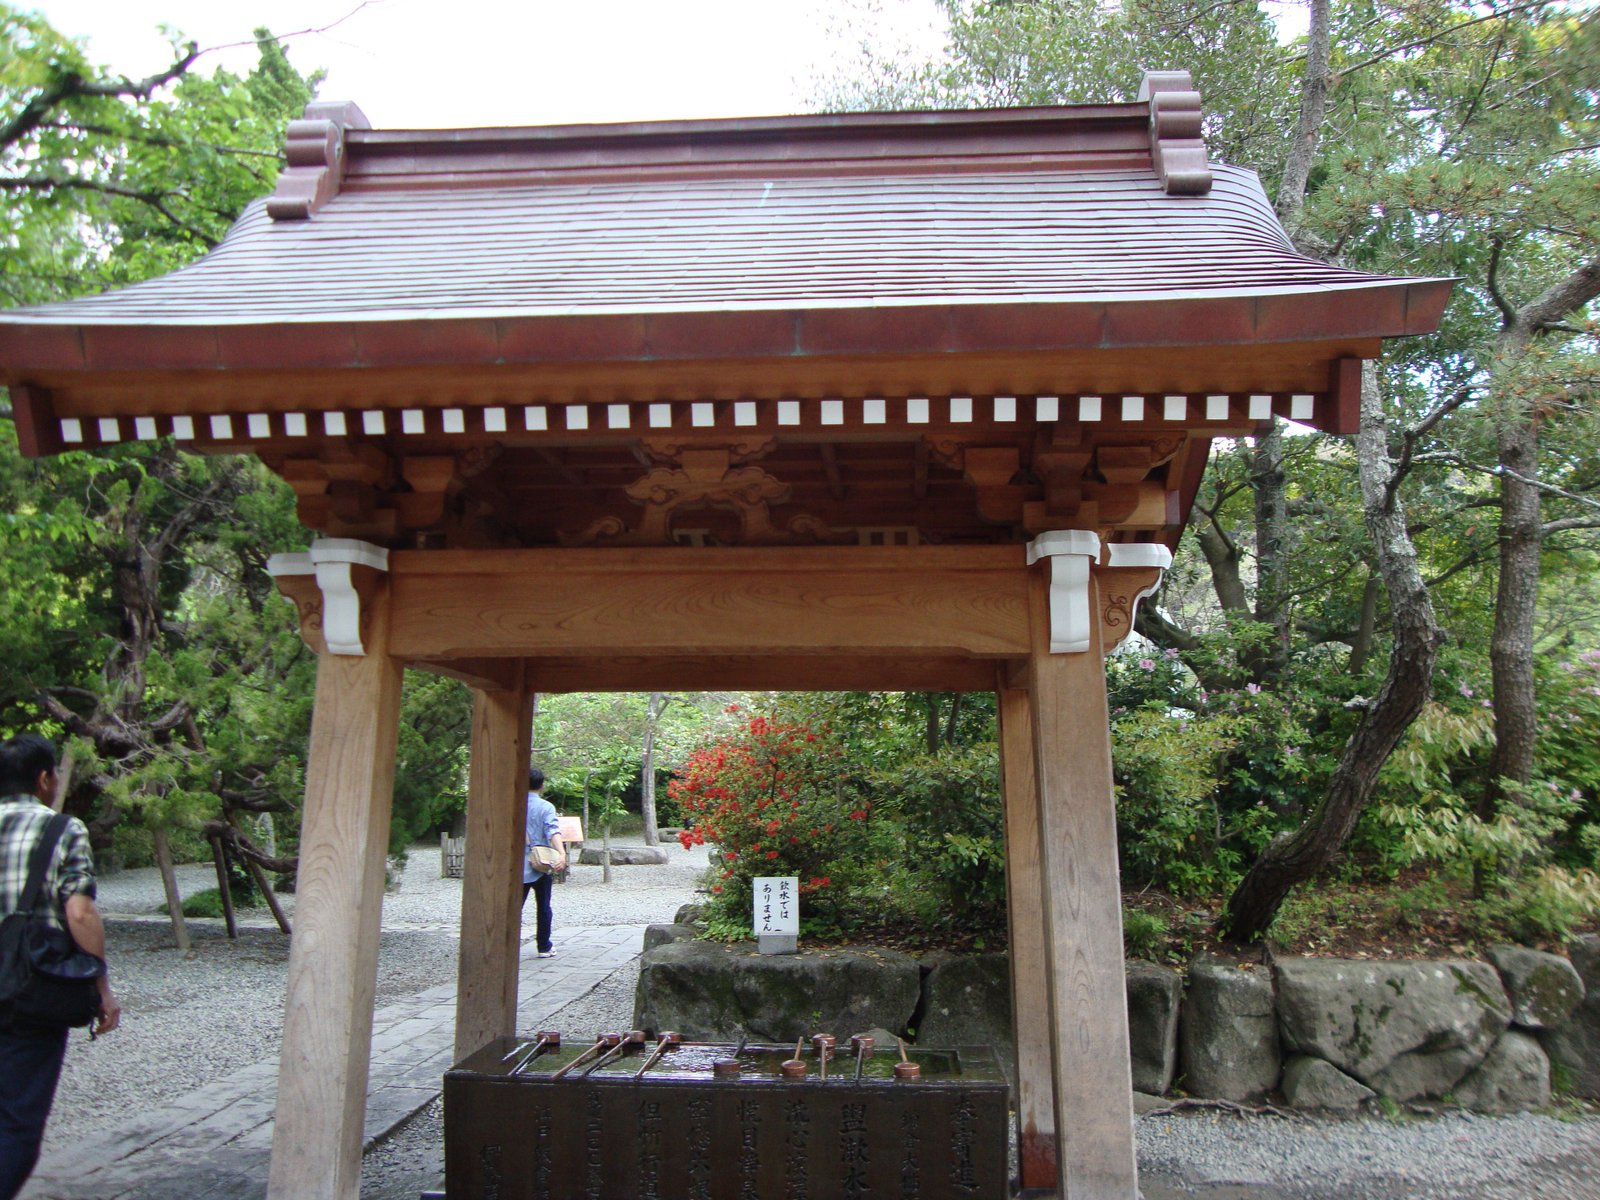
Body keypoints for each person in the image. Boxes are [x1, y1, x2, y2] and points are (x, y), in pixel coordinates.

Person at [0, 734, 120, 1200]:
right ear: (44, 779)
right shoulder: (62, 829)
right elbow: (80, 913)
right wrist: (101, 986)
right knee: (16, 1123)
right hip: (29, 989)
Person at [521, 768, 566, 959]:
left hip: (518, 866)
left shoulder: (513, 805)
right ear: (542, 786)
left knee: (514, 909)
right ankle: (544, 946)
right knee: (544, 907)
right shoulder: (546, 807)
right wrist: (561, 853)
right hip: (541, 864)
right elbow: (552, 831)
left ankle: (506, 944)